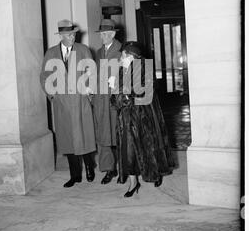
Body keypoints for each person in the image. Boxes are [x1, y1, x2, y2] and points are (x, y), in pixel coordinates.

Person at [110, 41, 176, 197]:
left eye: (123, 54)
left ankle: (156, 173)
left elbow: (143, 95)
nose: (121, 57)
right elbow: (115, 100)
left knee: (150, 147)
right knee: (128, 151)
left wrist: (123, 92)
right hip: (126, 118)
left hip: (144, 118)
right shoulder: (120, 71)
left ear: (130, 56)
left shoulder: (145, 70)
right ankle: (133, 183)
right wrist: (115, 90)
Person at [40, 19, 96, 188]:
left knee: (84, 137)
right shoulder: (50, 54)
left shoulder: (83, 50)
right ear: (62, 36)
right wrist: (53, 96)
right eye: (69, 34)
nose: (72, 37)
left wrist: (89, 92)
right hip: (62, 103)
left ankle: (90, 168)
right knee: (68, 140)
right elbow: (44, 76)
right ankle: (75, 175)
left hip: (80, 100)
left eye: (74, 34)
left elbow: (92, 73)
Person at [92, 19, 122, 184]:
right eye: (101, 34)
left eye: (104, 34)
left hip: (115, 100)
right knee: (103, 137)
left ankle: (125, 169)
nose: (101, 37)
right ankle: (109, 170)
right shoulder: (97, 53)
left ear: (113, 34)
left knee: (120, 136)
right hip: (100, 101)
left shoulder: (122, 51)